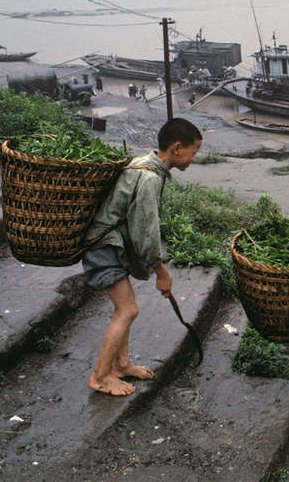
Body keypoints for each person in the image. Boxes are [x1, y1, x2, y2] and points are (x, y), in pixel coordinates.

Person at [81, 118, 203, 396]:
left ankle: (121, 365)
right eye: (193, 152)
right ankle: (100, 376)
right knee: (128, 310)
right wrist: (161, 272)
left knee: (126, 307)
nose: (193, 159)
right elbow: (145, 231)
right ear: (176, 148)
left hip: (108, 244)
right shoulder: (148, 177)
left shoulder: (145, 163)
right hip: (103, 247)